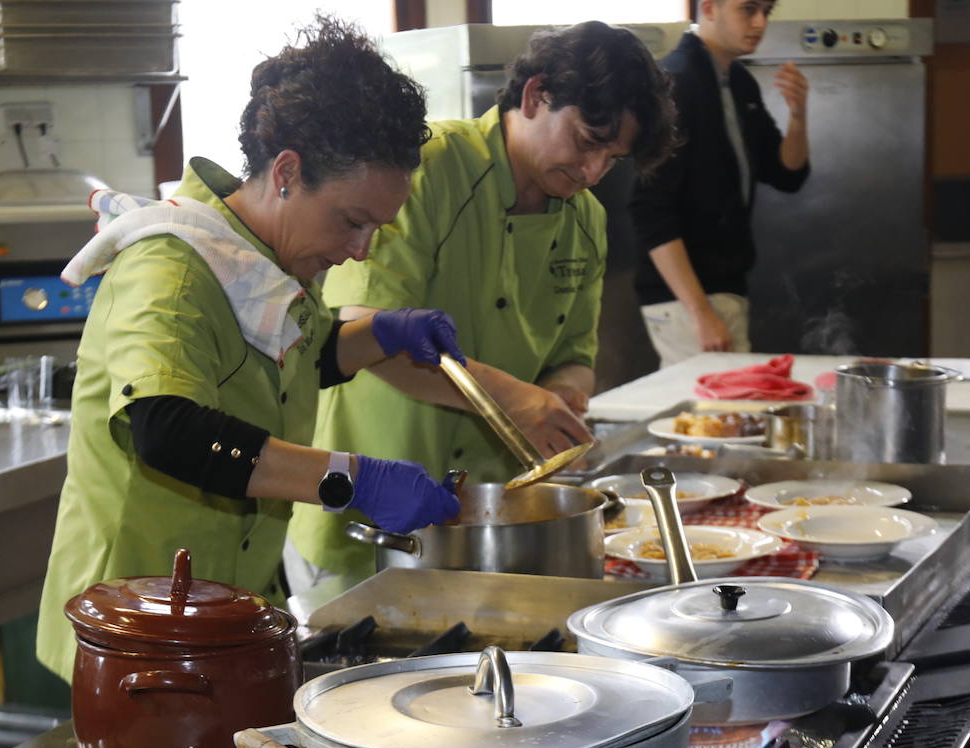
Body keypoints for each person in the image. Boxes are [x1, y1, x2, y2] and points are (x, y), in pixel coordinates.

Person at [35, 17, 577, 681]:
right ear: (287, 171)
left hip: (222, 621)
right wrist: (351, 478)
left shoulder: (260, 266)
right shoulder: (172, 268)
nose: (360, 251)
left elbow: (301, 358)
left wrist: (379, 333)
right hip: (130, 637)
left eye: (377, 229)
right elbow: (166, 428)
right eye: (353, 221)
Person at [286, 20, 678, 589]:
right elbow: (356, 328)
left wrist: (563, 393)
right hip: (367, 520)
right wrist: (513, 399)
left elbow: (573, 351)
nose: (592, 172)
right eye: (588, 142)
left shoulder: (586, 219)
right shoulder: (428, 169)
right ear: (535, 94)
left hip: (493, 520)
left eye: (611, 159)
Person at [630, 0, 810, 367]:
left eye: (767, 11)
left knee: (726, 413)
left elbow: (786, 173)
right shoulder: (677, 82)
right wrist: (700, 313)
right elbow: (649, 209)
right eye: (749, 9)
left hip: (723, 288)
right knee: (716, 416)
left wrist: (799, 115)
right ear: (709, 8)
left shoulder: (738, 82)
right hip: (687, 298)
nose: (760, 22)